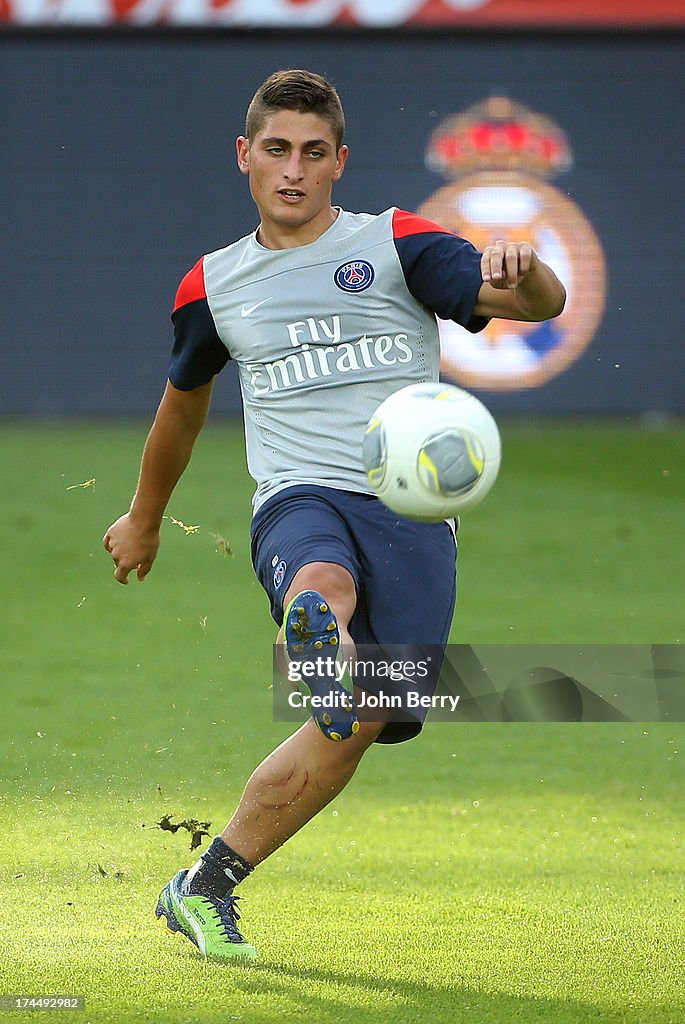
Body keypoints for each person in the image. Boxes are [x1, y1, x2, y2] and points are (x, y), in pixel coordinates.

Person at [103, 69, 565, 961]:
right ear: (244, 157)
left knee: (352, 728)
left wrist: (530, 269)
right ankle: (322, 634)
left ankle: (203, 885)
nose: (292, 170)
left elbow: (534, 304)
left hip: (413, 513)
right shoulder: (215, 284)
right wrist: (143, 517)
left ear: (339, 163)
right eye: (275, 150)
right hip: (297, 497)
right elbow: (182, 408)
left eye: (313, 154)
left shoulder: (397, 244)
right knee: (320, 582)